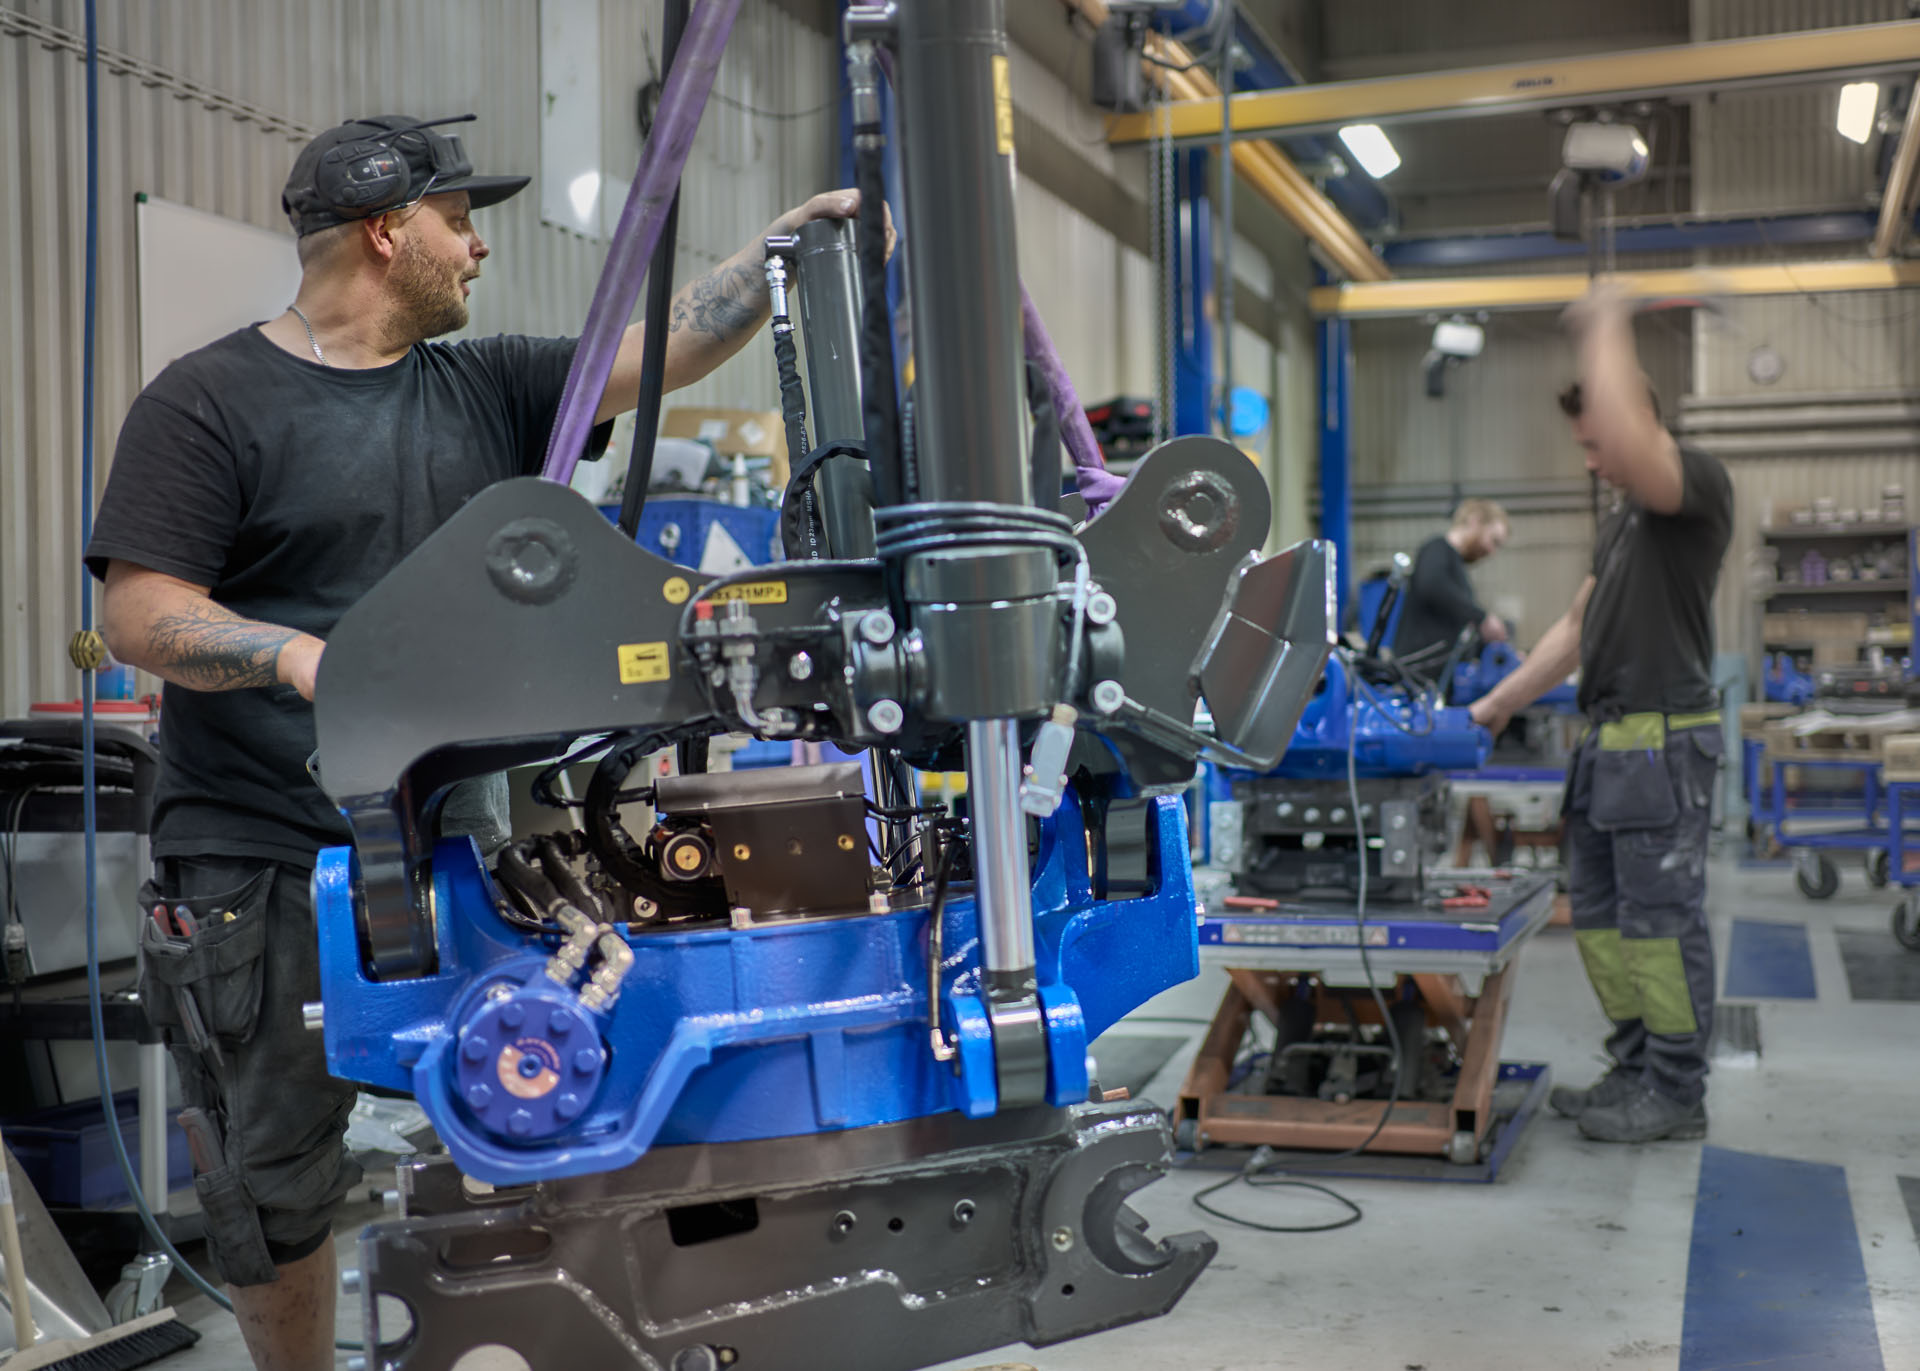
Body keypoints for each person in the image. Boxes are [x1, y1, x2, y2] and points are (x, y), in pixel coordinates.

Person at [85, 113, 873, 1371]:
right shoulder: (210, 402)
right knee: (276, 1180)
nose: (481, 248)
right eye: (461, 222)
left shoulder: (486, 382)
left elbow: (659, 350)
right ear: (389, 232)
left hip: (463, 849)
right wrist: (301, 657)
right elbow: (138, 611)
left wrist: (783, 247)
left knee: (521, 1117)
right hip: (263, 857)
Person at [1469, 281, 1732, 1145]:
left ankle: (1676, 1090)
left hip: (1663, 747)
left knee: (1660, 930)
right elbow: (1577, 627)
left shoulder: (1690, 490)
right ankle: (1635, 1069)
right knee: (1607, 928)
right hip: (1609, 750)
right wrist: (1497, 705)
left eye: (1597, 441)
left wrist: (1607, 318)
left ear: (1635, 420)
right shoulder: (1622, 527)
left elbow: (1630, 434)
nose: (1590, 460)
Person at [1390, 498, 1511, 665]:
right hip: (1417, 673)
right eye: (1494, 540)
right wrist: (1482, 617)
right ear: (1475, 521)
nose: (1492, 551)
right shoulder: (1437, 548)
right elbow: (1432, 584)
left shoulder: (1456, 566)